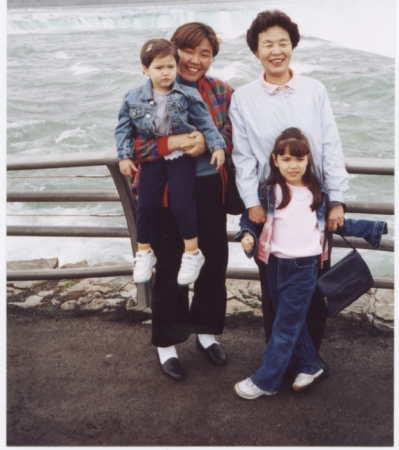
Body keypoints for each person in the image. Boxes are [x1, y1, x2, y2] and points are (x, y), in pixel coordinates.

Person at [229, 10, 349, 369]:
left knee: (314, 289)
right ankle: (281, 361)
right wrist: (252, 203)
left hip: (314, 204)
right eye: (267, 44)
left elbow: (330, 146)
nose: (276, 50)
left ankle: (307, 361)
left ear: (293, 46)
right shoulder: (244, 97)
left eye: (283, 42)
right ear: (256, 51)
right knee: (275, 291)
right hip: (272, 206)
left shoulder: (314, 90)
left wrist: (337, 200)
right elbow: (244, 156)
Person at [234, 127, 387, 399]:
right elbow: (250, 220)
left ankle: (266, 381)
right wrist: (246, 235)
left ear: (308, 160)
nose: (294, 166)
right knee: (291, 321)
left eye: (300, 159)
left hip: (305, 267)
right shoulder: (268, 191)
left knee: (284, 326)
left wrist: (373, 228)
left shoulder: (317, 192)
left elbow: (336, 223)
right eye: (287, 159)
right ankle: (309, 365)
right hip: (274, 266)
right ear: (275, 160)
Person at [117, 23, 233, 380]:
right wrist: (178, 142)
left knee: (213, 262)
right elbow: (135, 145)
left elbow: (229, 135)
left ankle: (205, 332)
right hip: (166, 190)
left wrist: (211, 141)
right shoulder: (149, 91)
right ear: (172, 51)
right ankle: (167, 343)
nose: (195, 60)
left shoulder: (222, 91)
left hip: (210, 187)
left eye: (206, 53)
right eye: (188, 51)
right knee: (168, 265)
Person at [115, 38, 226, 286]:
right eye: (158, 67)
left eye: (170, 67)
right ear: (145, 69)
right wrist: (124, 156)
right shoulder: (132, 98)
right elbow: (123, 130)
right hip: (153, 160)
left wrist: (217, 146)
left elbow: (206, 123)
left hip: (181, 159)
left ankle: (192, 253)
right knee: (146, 205)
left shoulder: (187, 94)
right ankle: (143, 252)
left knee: (181, 205)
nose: (165, 72)